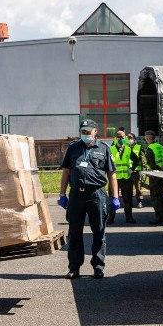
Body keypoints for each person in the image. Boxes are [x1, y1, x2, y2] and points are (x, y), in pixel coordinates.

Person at [58, 118, 120, 279]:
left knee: (99, 231)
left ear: (95, 132)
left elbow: (112, 175)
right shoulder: (73, 149)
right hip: (76, 195)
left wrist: (115, 197)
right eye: (83, 132)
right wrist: (62, 194)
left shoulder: (104, 148)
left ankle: (98, 266)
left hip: (96, 195)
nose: (85, 134)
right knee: (74, 232)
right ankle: (74, 267)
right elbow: (66, 172)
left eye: (88, 132)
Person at [108, 128, 136, 224]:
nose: (121, 138)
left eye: (123, 137)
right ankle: (110, 218)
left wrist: (132, 169)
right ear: (116, 138)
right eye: (119, 137)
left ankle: (129, 217)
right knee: (112, 198)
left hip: (126, 178)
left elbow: (136, 160)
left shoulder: (128, 149)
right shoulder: (111, 149)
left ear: (125, 138)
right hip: (114, 179)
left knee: (128, 199)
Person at [144, 130, 163, 225]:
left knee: (155, 197)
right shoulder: (160, 146)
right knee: (161, 196)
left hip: (154, 175)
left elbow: (151, 163)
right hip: (161, 174)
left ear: (147, 138)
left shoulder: (150, 148)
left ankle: (159, 217)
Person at [127, 132, 143, 208]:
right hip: (128, 171)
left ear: (134, 139)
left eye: (131, 138)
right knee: (128, 188)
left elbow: (142, 159)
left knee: (138, 187)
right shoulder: (126, 147)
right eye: (128, 138)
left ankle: (139, 201)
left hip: (137, 170)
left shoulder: (139, 147)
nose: (129, 139)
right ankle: (129, 202)